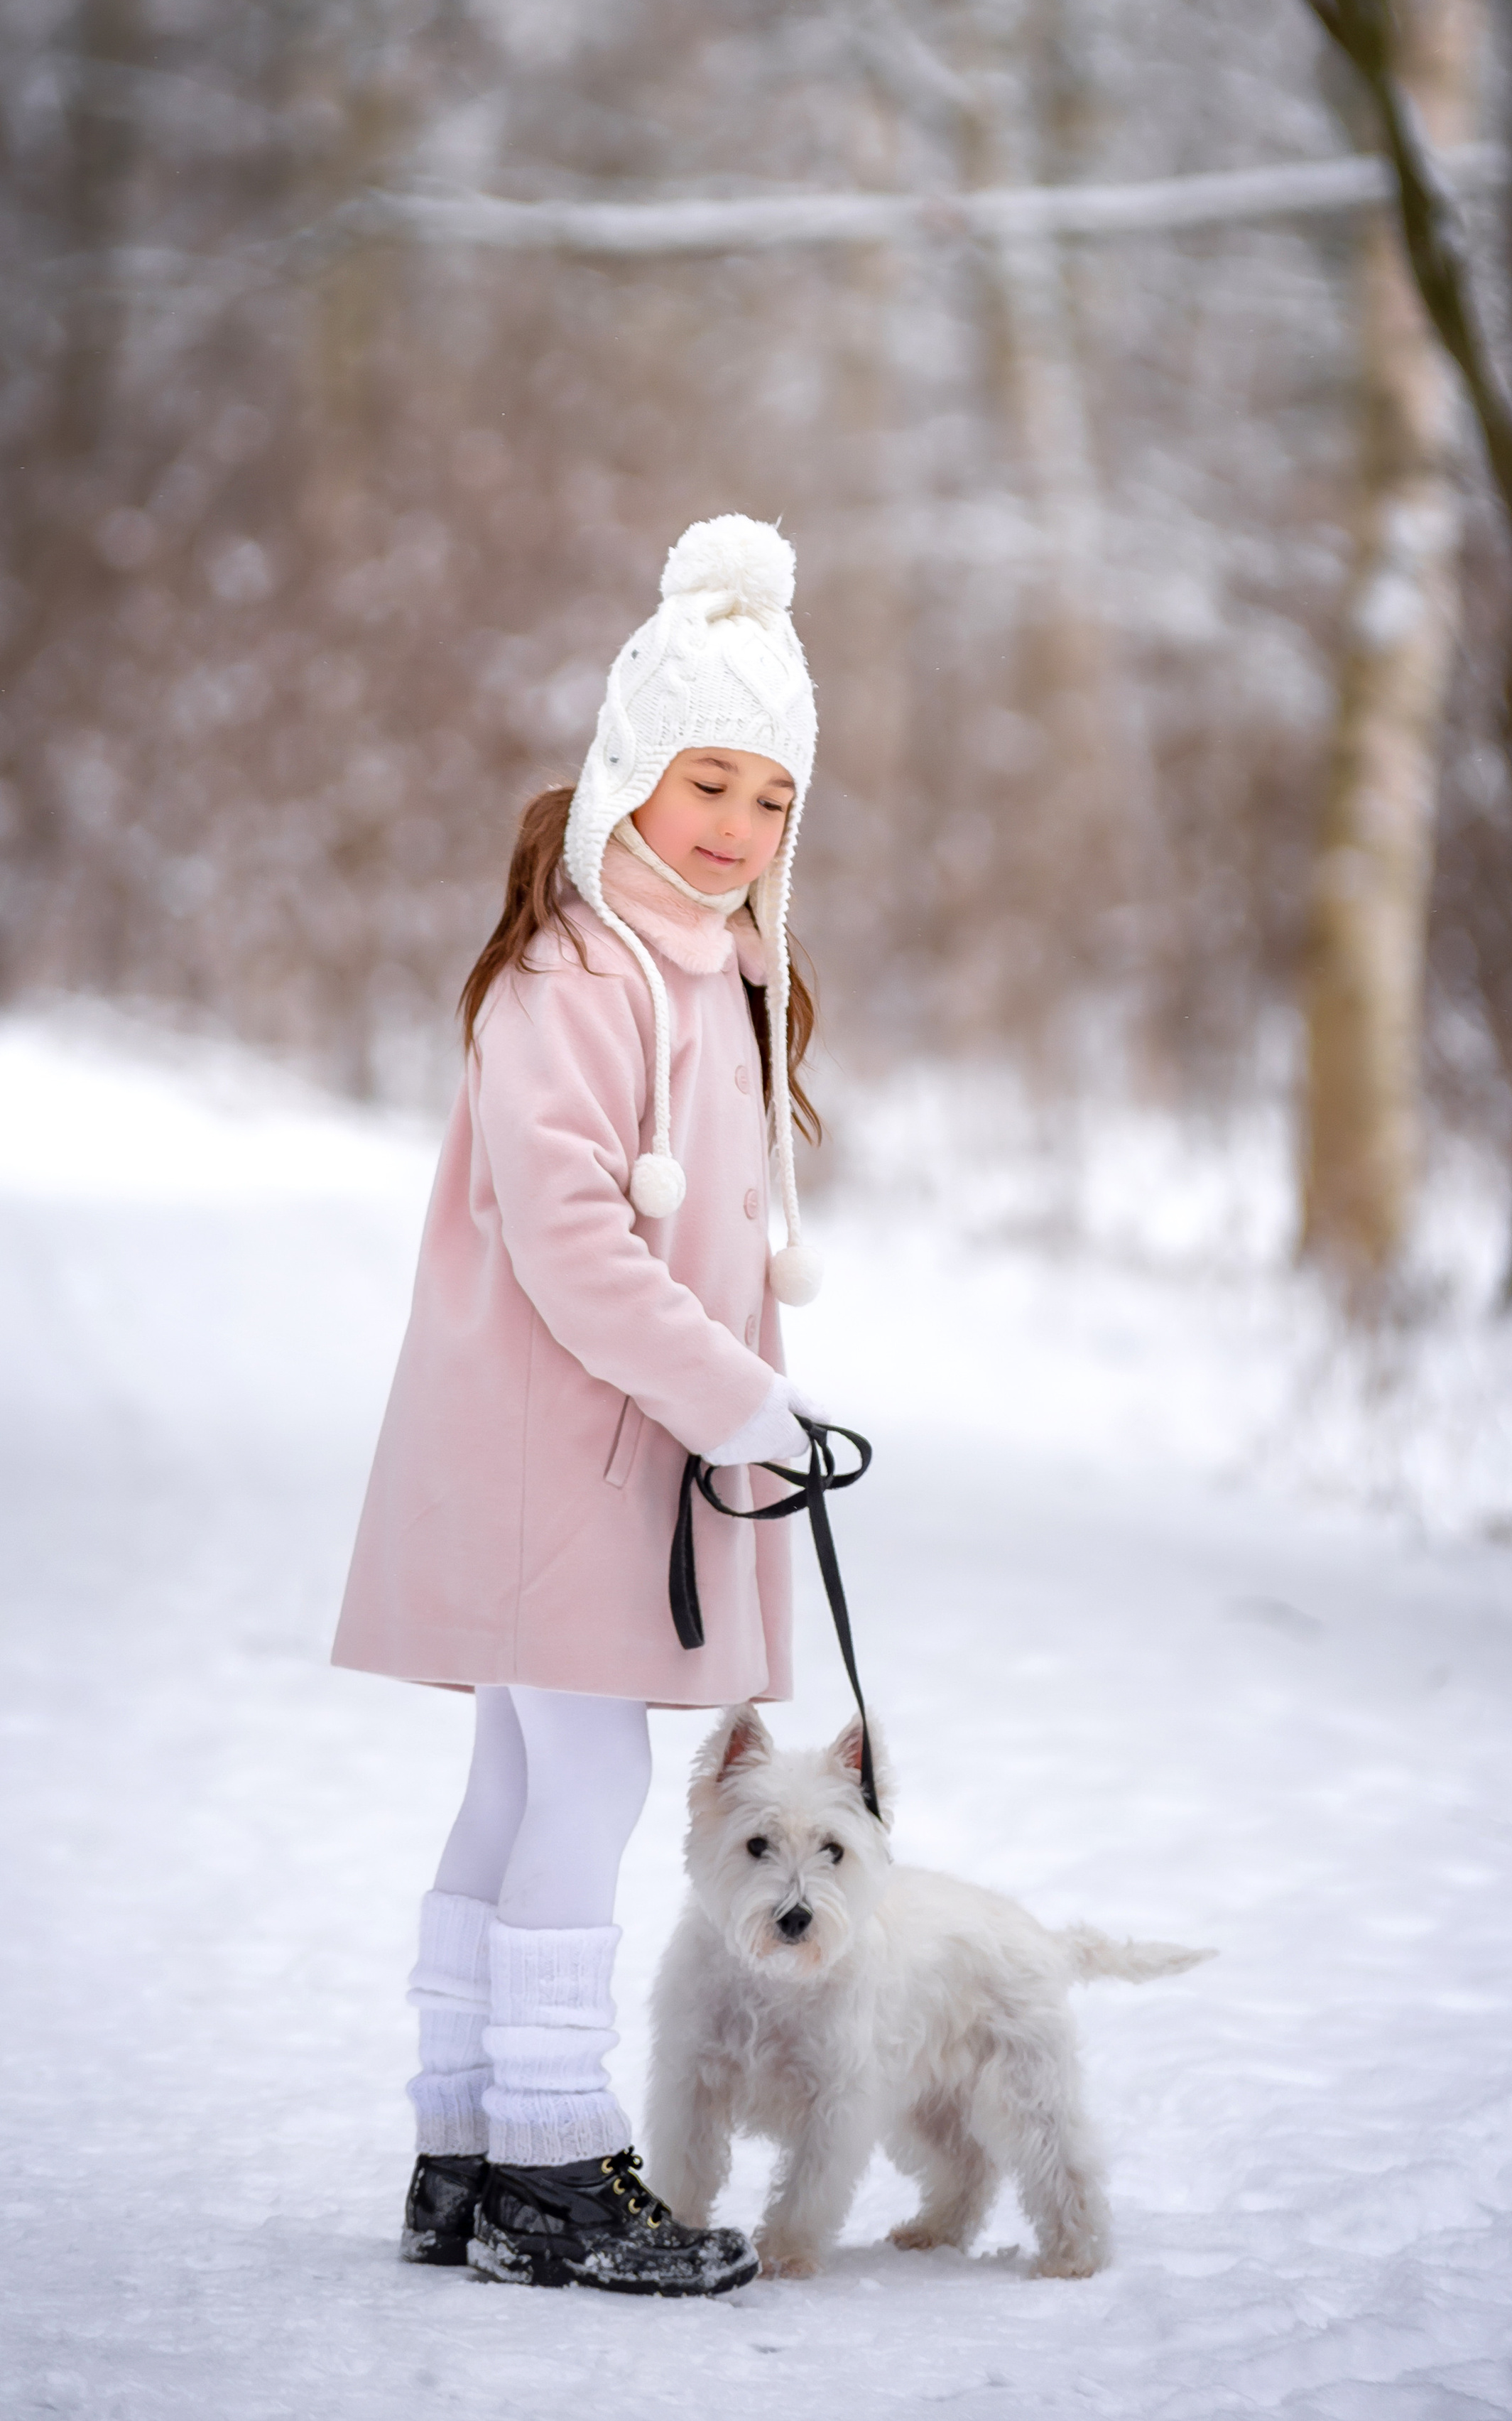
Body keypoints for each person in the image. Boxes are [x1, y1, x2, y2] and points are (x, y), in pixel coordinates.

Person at [331, 514, 829, 2297]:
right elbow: (565, 1233)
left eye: (771, 799)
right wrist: (740, 1395)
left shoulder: (710, 967)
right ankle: (548, 2161)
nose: (735, 827)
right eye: (707, 780)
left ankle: (458, 2150)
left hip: (595, 1443)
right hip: (565, 1445)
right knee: (592, 1769)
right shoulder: (577, 969)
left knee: (516, 1778)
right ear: (631, 764)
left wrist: (721, 1396)